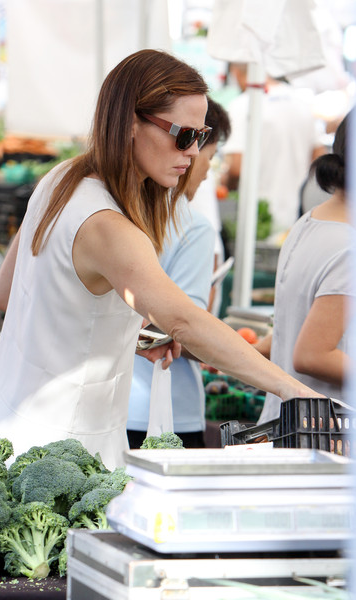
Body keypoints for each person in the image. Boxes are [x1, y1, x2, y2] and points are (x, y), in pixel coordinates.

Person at [0, 49, 321, 470]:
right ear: (130, 123)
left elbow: (5, 294)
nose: (193, 152)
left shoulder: (60, 179)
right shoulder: (109, 226)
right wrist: (297, 391)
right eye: (184, 135)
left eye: (201, 137)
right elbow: (186, 322)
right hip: (59, 450)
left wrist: (124, 335)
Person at [127, 97, 231, 449]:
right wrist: (229, 352)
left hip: (108, 404)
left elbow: (4, 295)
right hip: (163, 411)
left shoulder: (79, 199)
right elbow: (185, 330)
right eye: (192, 140)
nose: (200, 164)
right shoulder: (191, 226)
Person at [255, 110, 354, 424]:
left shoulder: (310, 221)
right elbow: (312, 355)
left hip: (289, 425)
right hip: (324, 434)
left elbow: (291, 330)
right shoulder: (347, 247)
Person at [221, 62, 326, 234]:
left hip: (258, 217)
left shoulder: (243, 104)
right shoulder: (302, 103)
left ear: (235, 72)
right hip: (299, 213)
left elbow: (237, 168)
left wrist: (224, 183)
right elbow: (319, 156)